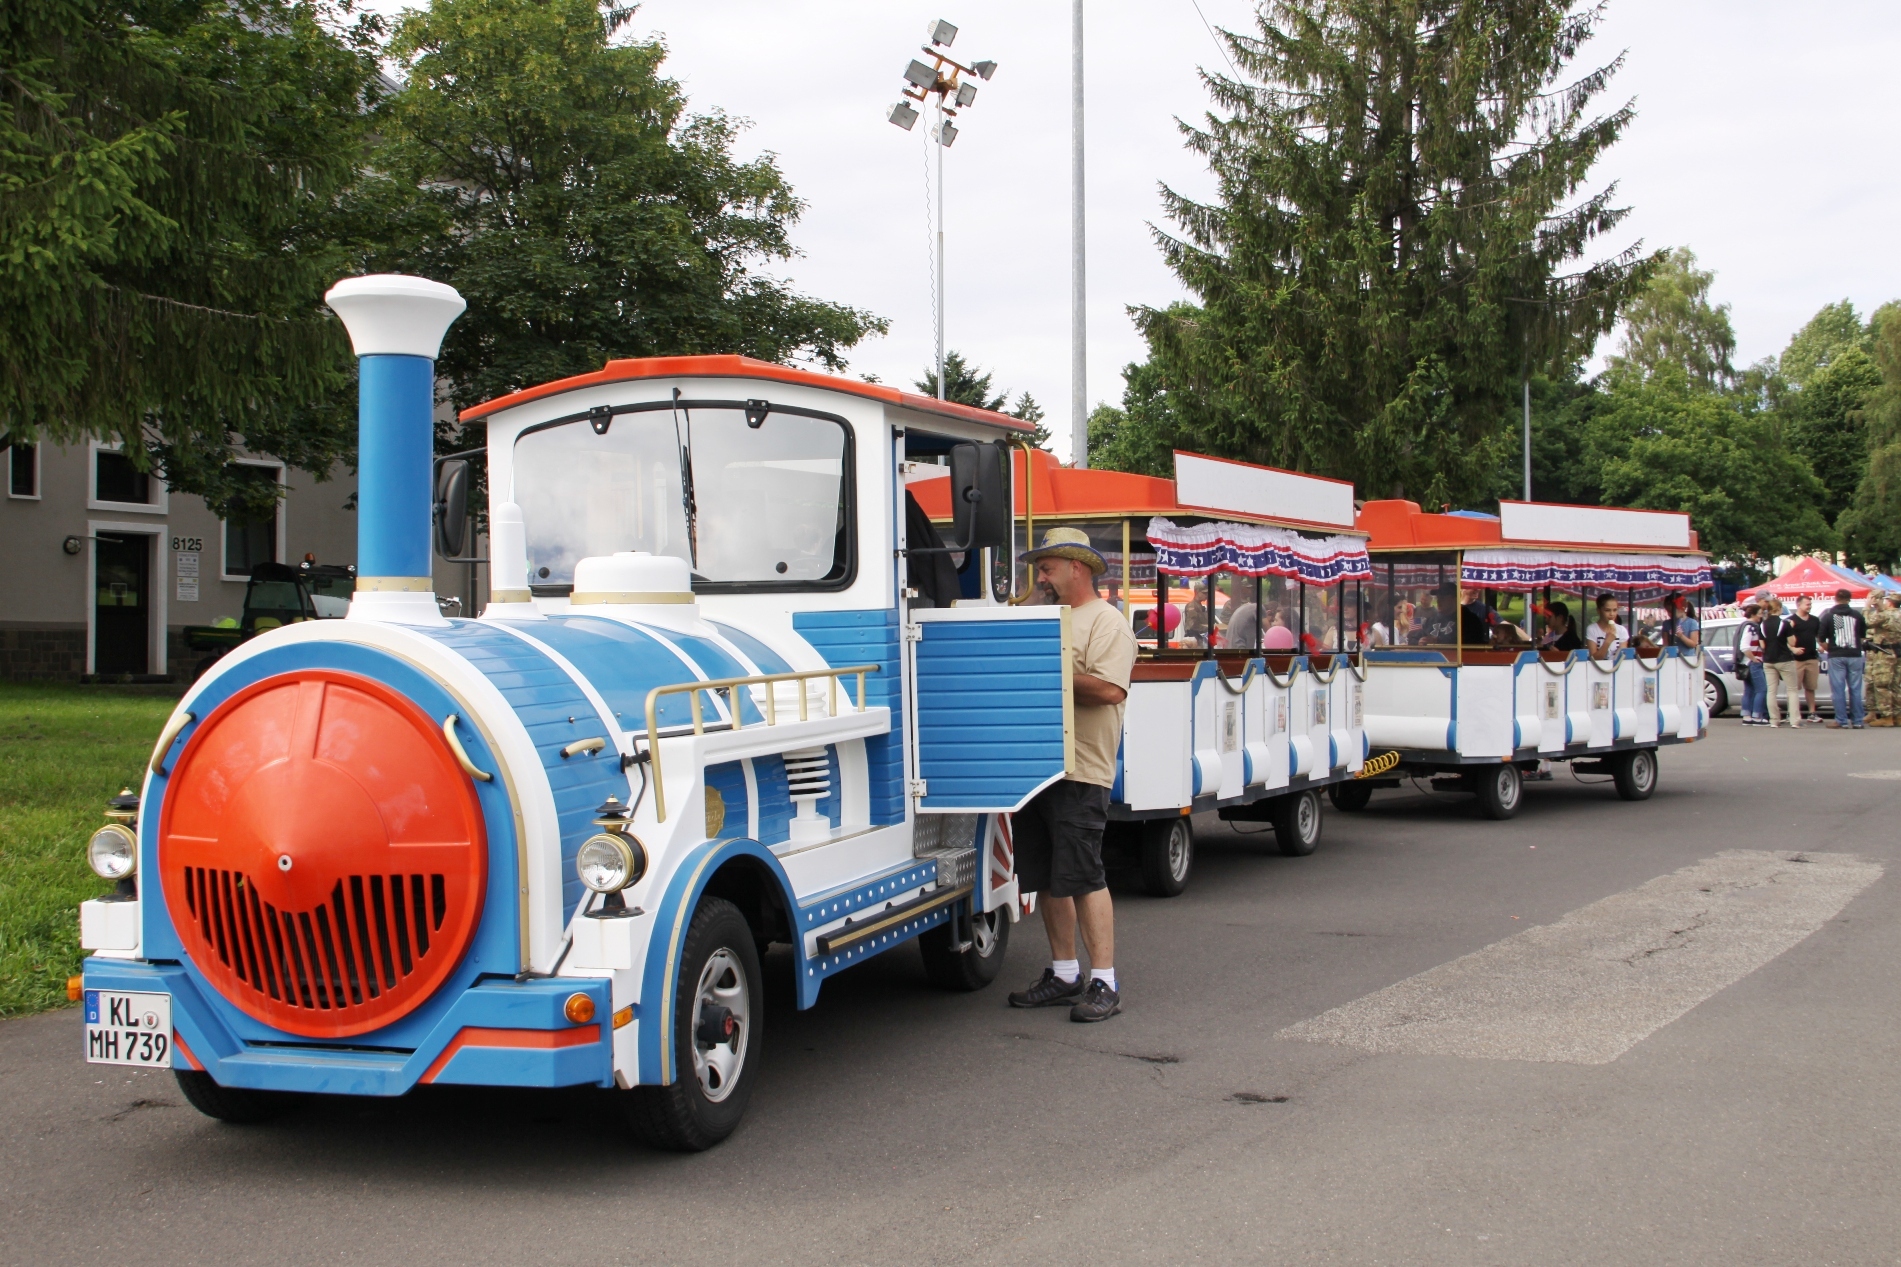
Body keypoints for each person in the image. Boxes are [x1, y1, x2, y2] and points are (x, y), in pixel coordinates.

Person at [1006, 527, 1138, 1022]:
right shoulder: (1051, 615)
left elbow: (1110, 690)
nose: (1040, 577)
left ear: (1076, 568)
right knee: (1046, 877)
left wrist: (1050, 668)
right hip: (1040, 768)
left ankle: (1105, 982)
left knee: (1083, 875)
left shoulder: (1107, 621)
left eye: (1047, 568)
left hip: (1082, 769)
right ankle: (1065, 974)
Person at [1819, 587, 1868, 729]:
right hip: (1854, 655)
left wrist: (1830, 648)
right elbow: (1863, 635)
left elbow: (1821, 638)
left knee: (1838, 689)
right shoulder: (1857, 616)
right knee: (1855, 689)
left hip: (1836, 655)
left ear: (1836, 599)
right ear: (1849, 599)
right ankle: (1858, 720)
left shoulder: (1828, 616)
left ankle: (1841, 720)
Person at [1863, 591, 1901, 726]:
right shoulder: (1898, 614)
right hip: (1897, 652)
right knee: (1896, 685)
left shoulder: (1886, 614)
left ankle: (1887, 716)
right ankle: (1898, 715)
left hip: (1885, 653)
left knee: (1882, 684)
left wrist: (1867, 607)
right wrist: (1879, 607)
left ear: (1889, 603)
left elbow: (1867, 622)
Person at [1784, 594, 1823, 725]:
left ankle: (1812, 713)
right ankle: (1791, 712)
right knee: (1794, 688)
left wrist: (1820, 646)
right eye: (1807, 604)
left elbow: (1818, 636)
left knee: (1811, 687)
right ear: (1798, 605)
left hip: (1812, 658)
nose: (1809, 606)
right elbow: (1784, 640)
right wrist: (1793, 649)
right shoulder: (1790, 621)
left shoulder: (1815, 620)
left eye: (1810, 604)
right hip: (1796, 659)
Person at [1737, 601, 1768, 725]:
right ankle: (1757, 716)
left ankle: (1747, 716)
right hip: (1753, 663)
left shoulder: (1744, 625)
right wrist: (1754, 658)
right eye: (1760, 613)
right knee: (1762, 689)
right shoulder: (1751, 627)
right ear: (1754, 614)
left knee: (1749, 690)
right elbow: (1744, 647)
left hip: (1746, 664)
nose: (1761, 616)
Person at [1585, 594, 1629, 660]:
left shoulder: (1621, 630)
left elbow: (1622, 657)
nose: (1612, 614)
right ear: (1598, 611)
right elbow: (1594, 659)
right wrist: (1607, 642)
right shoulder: (1592, 629)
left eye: (1615, 610)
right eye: (1607, 610)